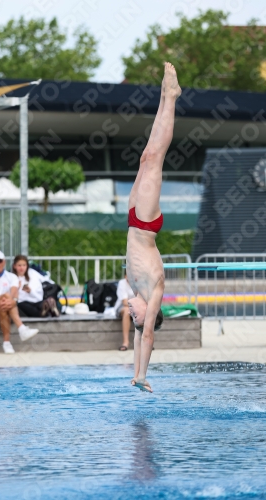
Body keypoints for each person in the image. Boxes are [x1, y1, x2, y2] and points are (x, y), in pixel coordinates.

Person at [126, 62, 181, 393]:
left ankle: (166, 95)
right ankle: (171, 97)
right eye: (136, 317)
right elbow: (146, 335)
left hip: (134, 217)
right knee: (157, 156)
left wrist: (134, 373)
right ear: (148, 315)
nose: (130, 312)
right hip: (146, 223)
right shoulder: (154, 289)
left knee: (146, 156)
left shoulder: (136, 290)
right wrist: (145, 375)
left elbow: (137, 336)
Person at [0, 250, 39, 354]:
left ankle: (7, 343)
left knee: (5, 303)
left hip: (4, 308)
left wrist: (8, 302)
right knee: (5, 298)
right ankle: (21, 328)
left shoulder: (12, 277)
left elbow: (15, 295)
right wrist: (5, 302)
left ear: (4, 262)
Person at [114, 274, 134, 351]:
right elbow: (125, 302)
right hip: (121, 307)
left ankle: (145, 342)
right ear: (126, 276)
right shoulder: (122, 283)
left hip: (135, 307)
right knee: (127, 310)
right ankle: (125, 342)